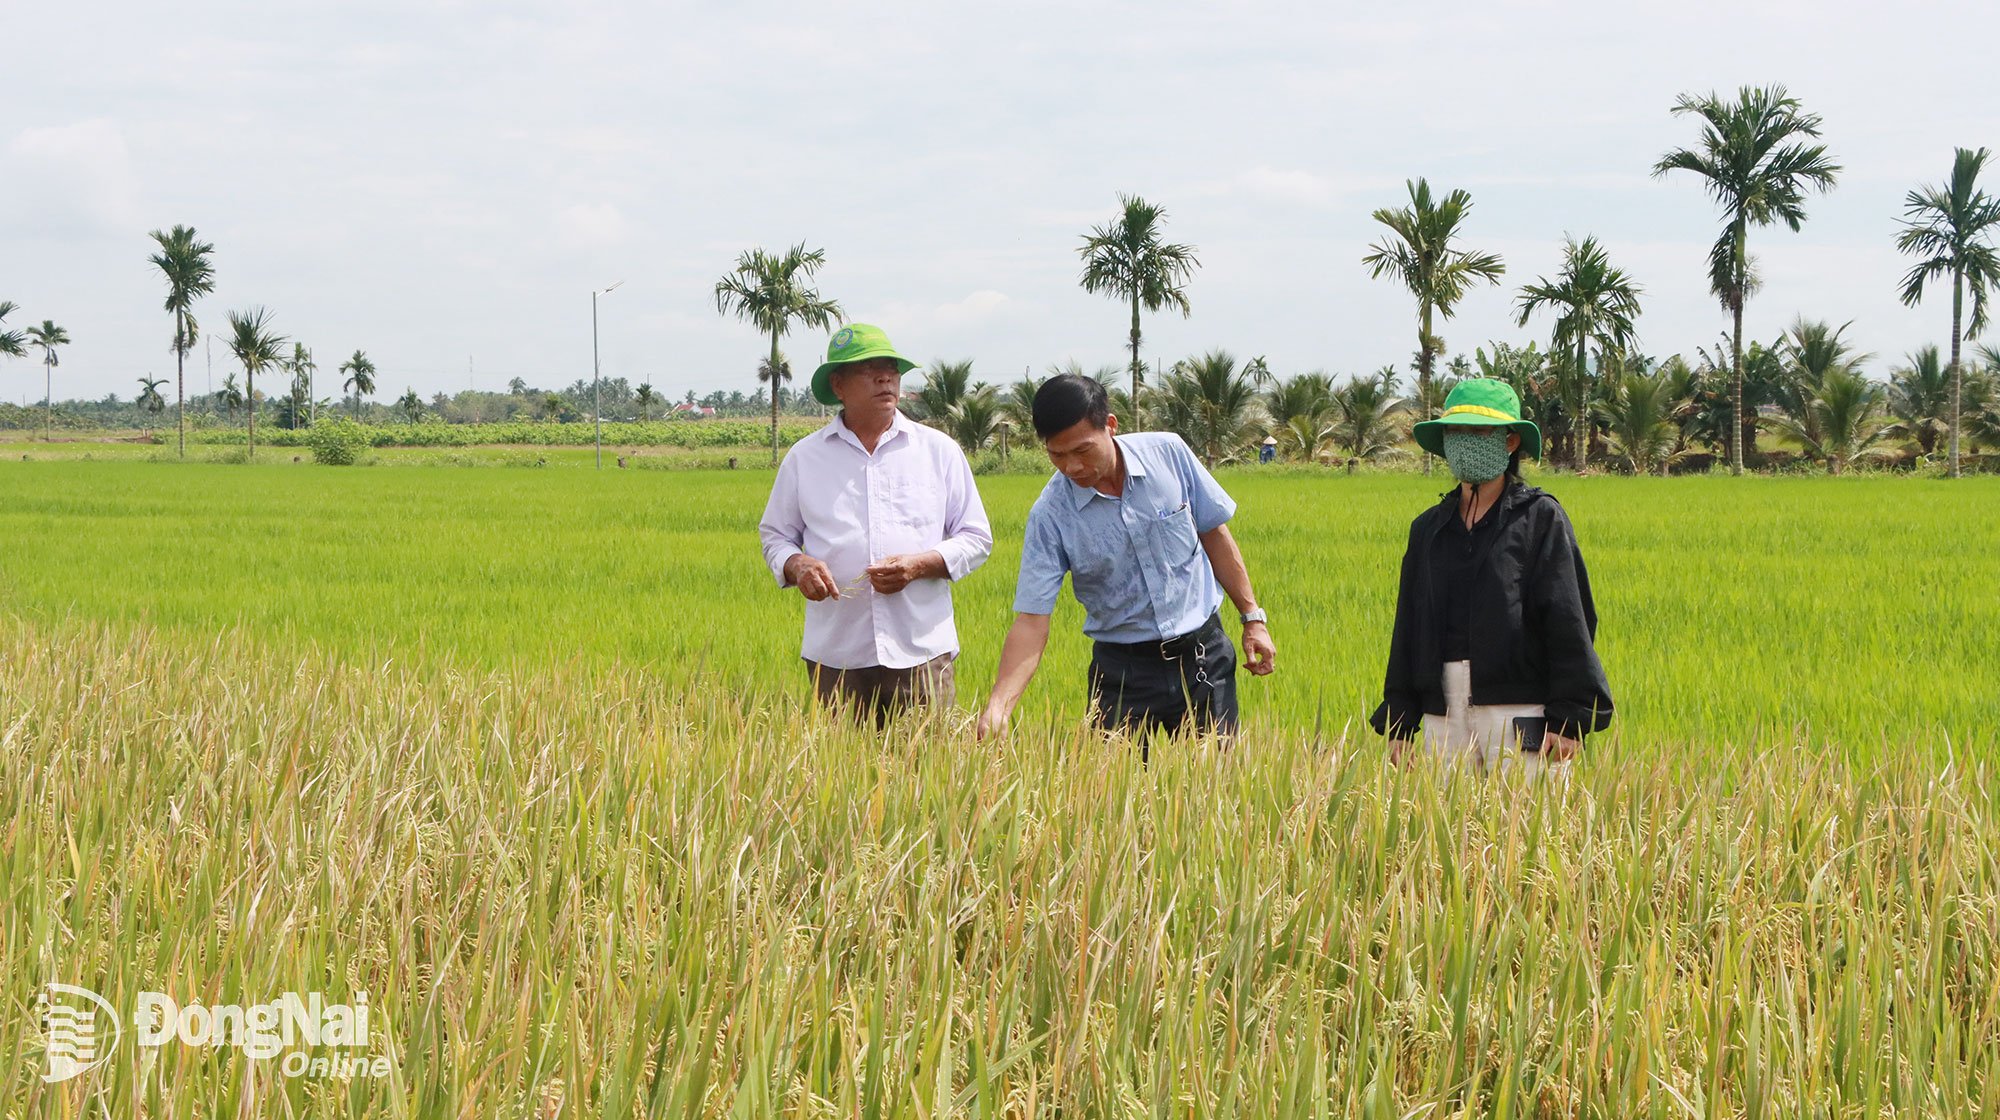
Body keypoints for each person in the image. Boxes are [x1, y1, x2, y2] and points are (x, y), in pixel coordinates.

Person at [977, 373, 1276, 744]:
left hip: (1202, 657)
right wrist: (999, 706)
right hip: (1122, 672)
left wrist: (1252, 618)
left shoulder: (1169, 455)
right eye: (1057, 455)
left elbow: (1213, 534)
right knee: (1114, 781)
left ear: (1111, 425)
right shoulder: (1051, 514)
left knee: (1216, 774)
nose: (1071, 467)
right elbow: (1032, 619)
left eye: (1082, 450)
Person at [1369, 379, 1612, 775]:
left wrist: (1570, 716)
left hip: (1521, 708)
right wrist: (1400, 721)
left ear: (1510, 441)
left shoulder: (1539, 519)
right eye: (1455, 431)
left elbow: (1569, 616)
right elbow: (1409, 627)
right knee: (1445, 814)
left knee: (1530, 814)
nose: (1464, 441)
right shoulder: (1428, 530)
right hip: (1443, 713)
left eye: (1478, 431)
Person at [759, 324, 993, 725]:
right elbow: (775, 536)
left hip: (921, 651)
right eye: (869, 369)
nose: (885, 378)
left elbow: (976, 537)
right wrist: (797, 565)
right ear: (838, 385)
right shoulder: (804, 458)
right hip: (837, 656)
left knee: (926, 762)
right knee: (839, 763)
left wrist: (919, 565)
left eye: (891, 369)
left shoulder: (938, 451)